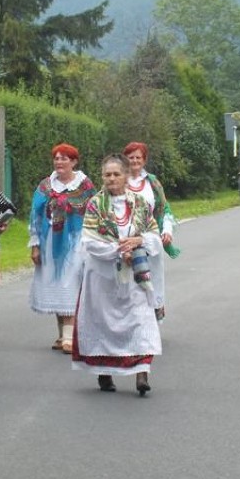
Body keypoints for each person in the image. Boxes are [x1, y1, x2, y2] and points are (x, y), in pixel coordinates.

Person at [72, 154, 162, 396]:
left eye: (116, 174)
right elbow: (90, 241)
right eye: (107, 175)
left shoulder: (141, 203)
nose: (112, 179)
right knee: (104, 323)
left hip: (135, 275)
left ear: (125, 176)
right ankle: (104, 371)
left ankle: (142, 373)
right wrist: (119, 251)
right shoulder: (95, 204)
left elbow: (154, 236)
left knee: (141, 319)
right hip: (103, 276)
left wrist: (139, 241)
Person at [28, 143, 96, 353]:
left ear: (74, 162)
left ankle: (69, 337)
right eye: (56, 158)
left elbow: (94, 214)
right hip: (50, 243)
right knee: (56, 286)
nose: (59, 162)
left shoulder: (85, 186)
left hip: (75, 243)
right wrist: (35, 245)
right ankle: (61, 334)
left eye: (64, 158)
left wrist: (90, 243)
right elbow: (35, 216)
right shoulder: (45, 186)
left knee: (69, 285)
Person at [123, 141, 180, 323]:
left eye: (138, 157)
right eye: (130, 157)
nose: (134, 161)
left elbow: (164, 209)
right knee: (128, 282)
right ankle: (130, 324)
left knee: (150, 280)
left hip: (149, 239)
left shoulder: (152, 182)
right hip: (124, 239)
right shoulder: (118, 180)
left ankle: (150, 324)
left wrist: (167, 230)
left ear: (144, 160)